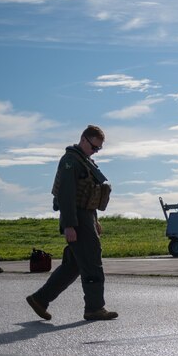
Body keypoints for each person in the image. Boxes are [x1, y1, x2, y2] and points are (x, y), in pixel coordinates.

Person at [26, 125, 118, 321]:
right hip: (77, 218)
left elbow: (89, 194)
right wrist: (69, 225)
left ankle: (40, 299)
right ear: (84, 139)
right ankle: (94, 308)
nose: (96, 151)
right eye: (94, 147)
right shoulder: (70, 161)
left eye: (98, 149)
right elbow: (66, 195)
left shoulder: (85, 161)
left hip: (87, 217)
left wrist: (95, 221)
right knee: (92, 261)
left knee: (74, 265)